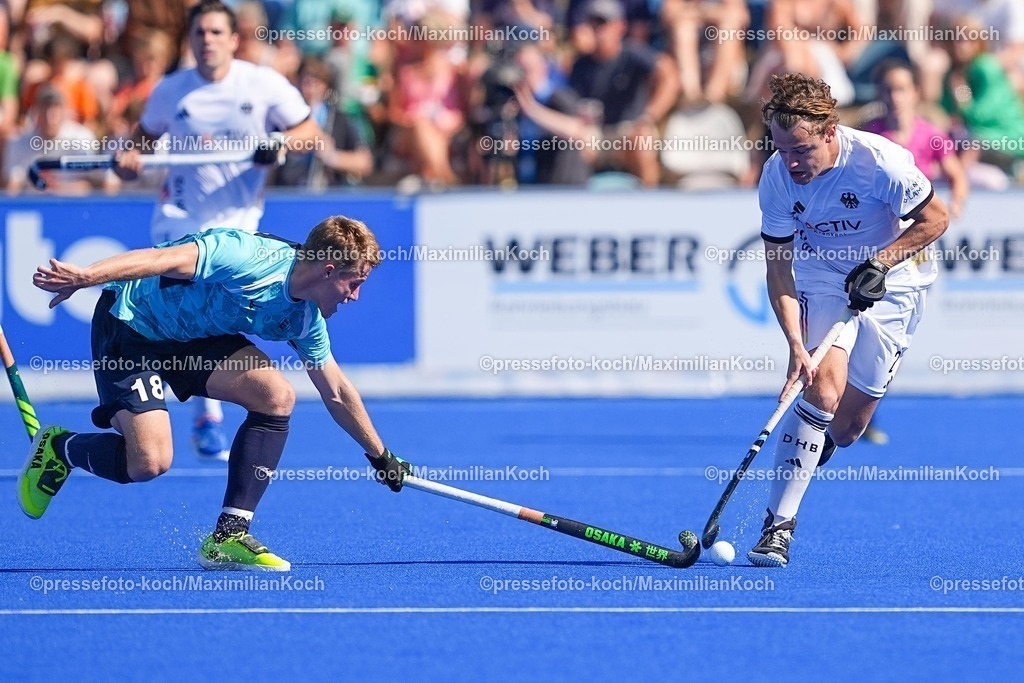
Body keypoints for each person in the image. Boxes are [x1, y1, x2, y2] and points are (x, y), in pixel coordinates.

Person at [18, 216, 413, 572]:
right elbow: (159, 260)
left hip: (194, 340)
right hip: (132, 325)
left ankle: (228, 536)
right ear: (329, 270)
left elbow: (338, 392)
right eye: (354, 283)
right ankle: (60, 449)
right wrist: (87, 277)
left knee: (276, 395)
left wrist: (381, 456)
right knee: (149, 463)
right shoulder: (246, 256)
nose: (355, 296)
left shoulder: (304, 317)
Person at [751, 73, 949, 567]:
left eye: (801, 150)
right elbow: (779, 268)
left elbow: (936, 219)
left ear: (828, 132)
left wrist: (880, 264)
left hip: (895, 283)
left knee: (846, 430)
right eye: (781, 149)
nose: (791, 162)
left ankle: (817, 441)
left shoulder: (880, 161)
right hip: (821, 277)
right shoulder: (776, 176)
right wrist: (796, 344)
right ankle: (778, 526)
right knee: (821, 390)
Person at [115, 0, 325, 461]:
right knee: (187, 322)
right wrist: (128, 161)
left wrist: (279, 145)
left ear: (233, 39)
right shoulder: (171, 91)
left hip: (236, 236)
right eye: (199, 34)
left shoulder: (264, 84)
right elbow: (139, 147)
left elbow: (310, 132)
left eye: (215, 33)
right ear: (189, 41)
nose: (206, 41)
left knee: (209, 324)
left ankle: (203, 408)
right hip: (178, 229)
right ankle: (196, 414)